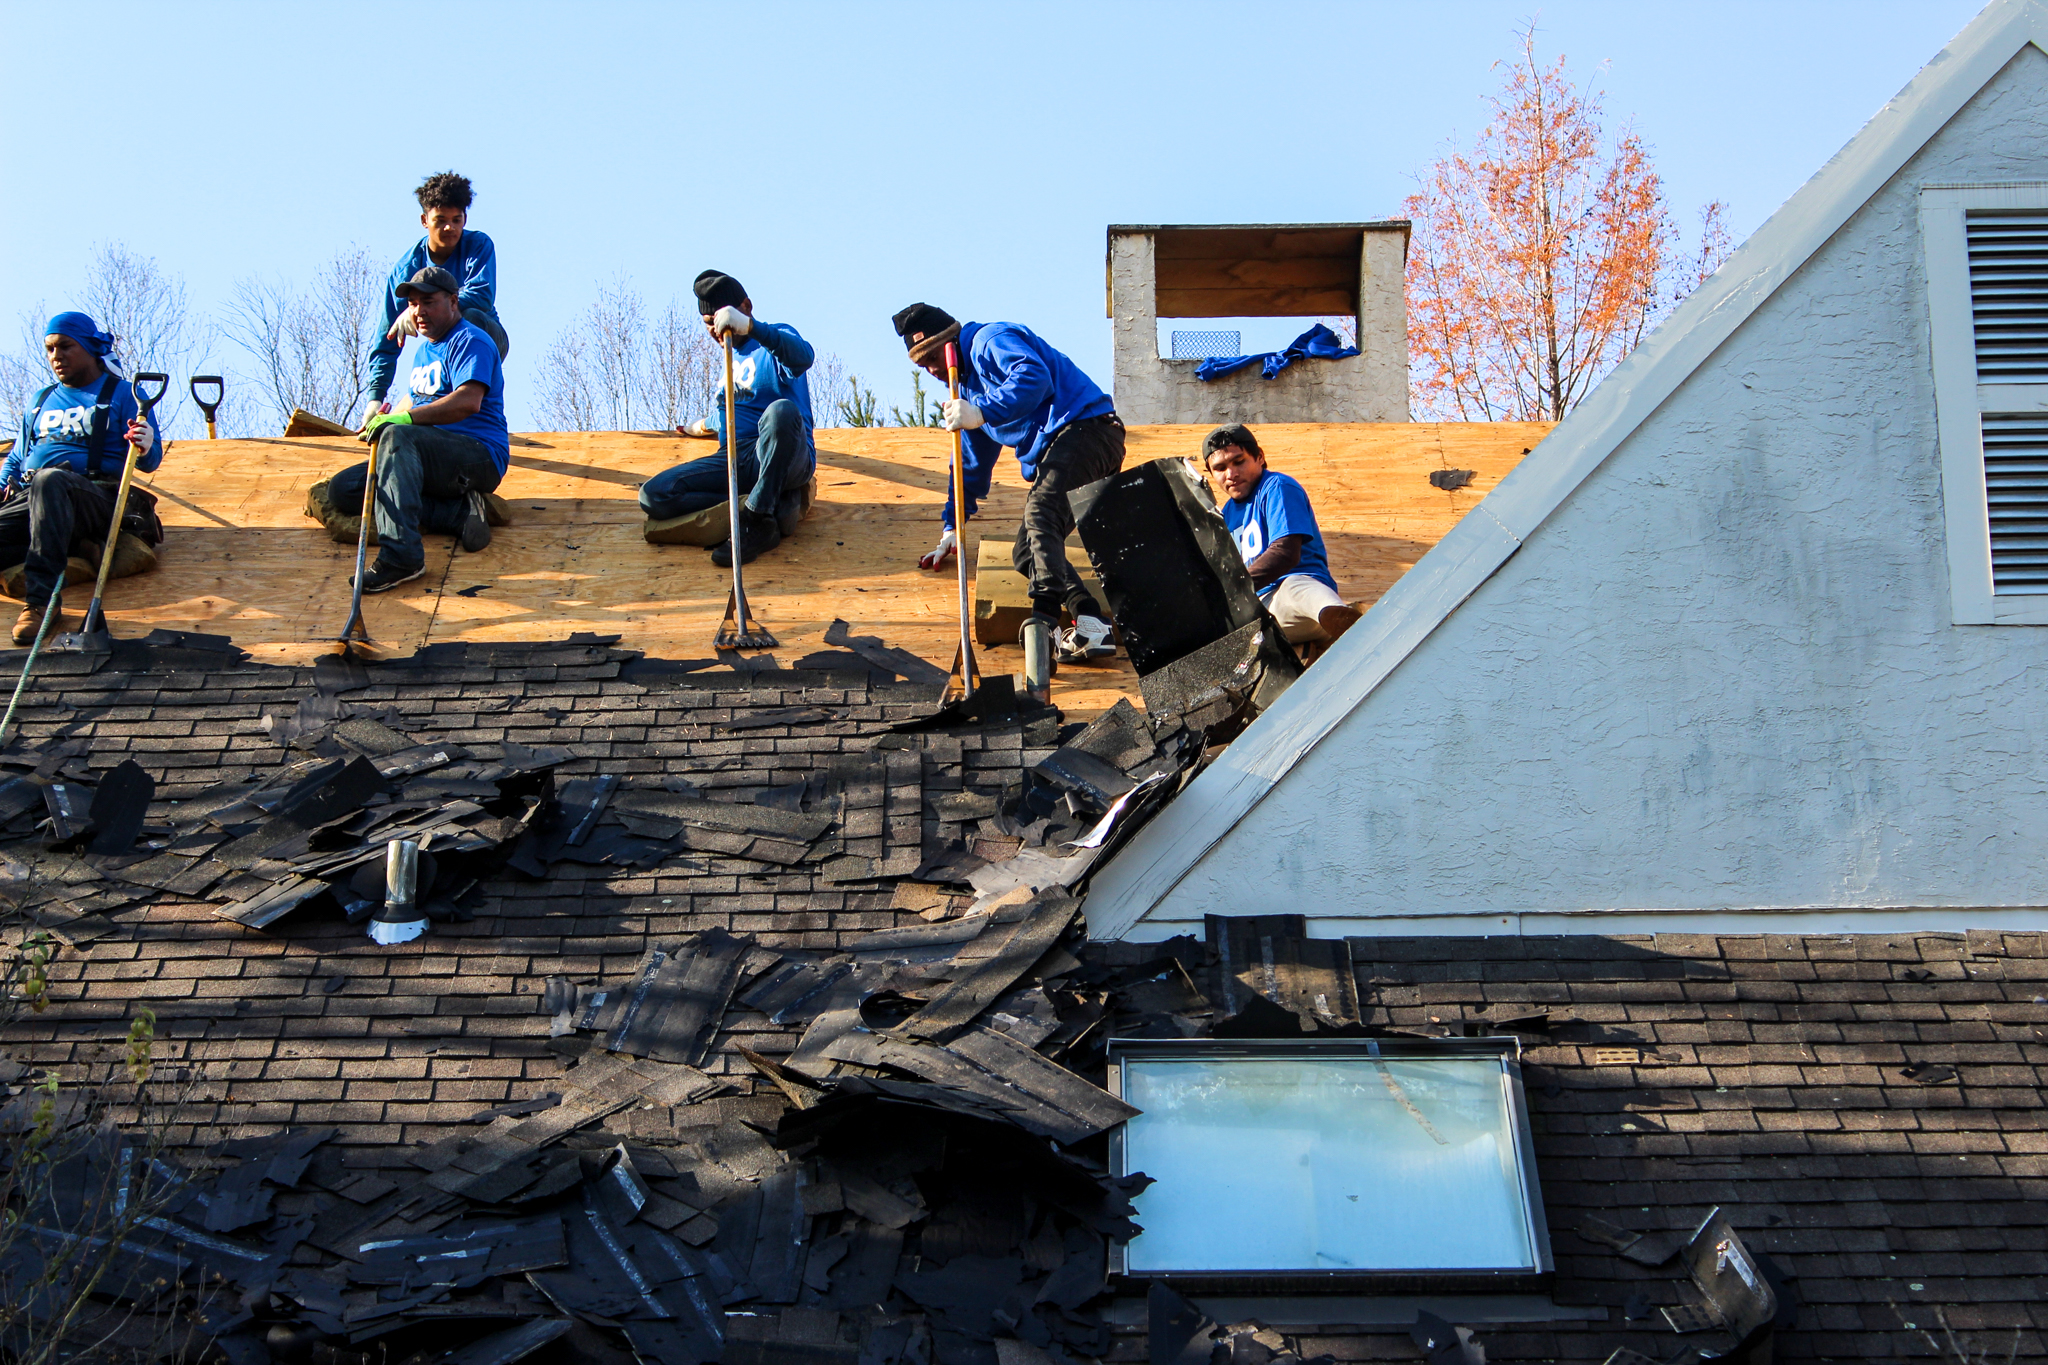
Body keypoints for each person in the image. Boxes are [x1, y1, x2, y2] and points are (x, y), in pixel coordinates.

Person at [890, 303, 1120, 664]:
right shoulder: (965, 393)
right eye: (923, 366)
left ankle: (1043, 615)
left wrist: (983, 412)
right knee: (1027, 551)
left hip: (1088, 431)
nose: (932, 370)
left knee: (1042, 511)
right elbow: (969, 463)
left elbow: (1033, 377)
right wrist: (952, 524)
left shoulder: (988, 340)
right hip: (1067, 449)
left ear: (950, 340)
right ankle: (1091, 620)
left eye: (933, 356)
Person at [327, 267, 507, 593]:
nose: (418, 311)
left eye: (428, 301)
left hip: (477, 455)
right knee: (345, 489)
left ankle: (402, 558)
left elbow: (468, 401)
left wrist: (402, 422)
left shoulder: (470, 340)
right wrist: (383, 420)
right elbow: (418, 402)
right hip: (429, 454)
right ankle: (457, 512)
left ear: (453, 301)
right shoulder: (425, 350)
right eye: (412, 303)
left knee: (398, 436)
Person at [1, 313, 163, 643]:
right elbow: (17, 458)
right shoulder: (41, 400)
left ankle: (41, 601)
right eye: (49, 349)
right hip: (33, 499)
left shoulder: (122, 394)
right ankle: (72, 547)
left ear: (89, 347)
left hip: (93, 497)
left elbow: (151, 459)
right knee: (41, 485)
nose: (55, 357)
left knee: (50, 481)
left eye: (65, 346)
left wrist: (145, 445)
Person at [640, 271, 815, 567]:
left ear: (746, 306)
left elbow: (803, 357)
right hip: (735, 458)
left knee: (781, 411)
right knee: (655, 495)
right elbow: (727, 417)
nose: (716, 330)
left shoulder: (771, 341)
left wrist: (751, 327)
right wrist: (699, 426)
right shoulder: (727, 365)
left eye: (722, 321)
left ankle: (756, 520)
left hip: (780, 451)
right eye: (709, 324)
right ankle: (765, 502)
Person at [362, 172, 507, 423]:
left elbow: (482, 295)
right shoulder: (405, 270)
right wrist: (375, 396)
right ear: (424, 220)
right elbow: (387, 336)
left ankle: (466, 399)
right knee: (395, 420)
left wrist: (416, 310)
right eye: (440, 220)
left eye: (456, 219)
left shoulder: (478, 245)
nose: (450, 227)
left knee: (469, 318)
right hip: (435, 354)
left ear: (465, 218)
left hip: (484, 337)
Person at [1202, 423, 1360, 647]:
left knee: (1294, 587)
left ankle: (1346, 622)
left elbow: (1285, 553)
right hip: (1256, 611)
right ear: (1211, 474)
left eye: (1239, 462)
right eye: (1220, 468)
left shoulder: (1277, 486)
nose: (1231, 474)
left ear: (1259, 457)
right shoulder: (1224, 515)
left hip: (1294, 604)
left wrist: (1232, 588)